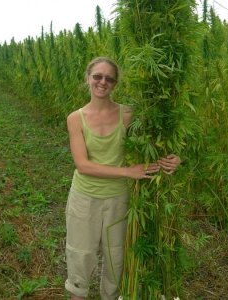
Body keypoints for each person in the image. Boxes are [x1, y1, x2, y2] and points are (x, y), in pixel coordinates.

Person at [65, 56, 181, 300]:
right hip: (84, 198)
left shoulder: (128, 115)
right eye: (97, 76)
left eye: (109, 78)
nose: (102, 82)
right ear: (88, 78)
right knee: (81, 254)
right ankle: (78, 294)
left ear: (115, 84)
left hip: (118, 198)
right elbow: (83, 165)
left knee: (116, 257)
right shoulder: (76, 118)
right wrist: (128, 172)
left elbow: (154, 142)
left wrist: (173, 158)